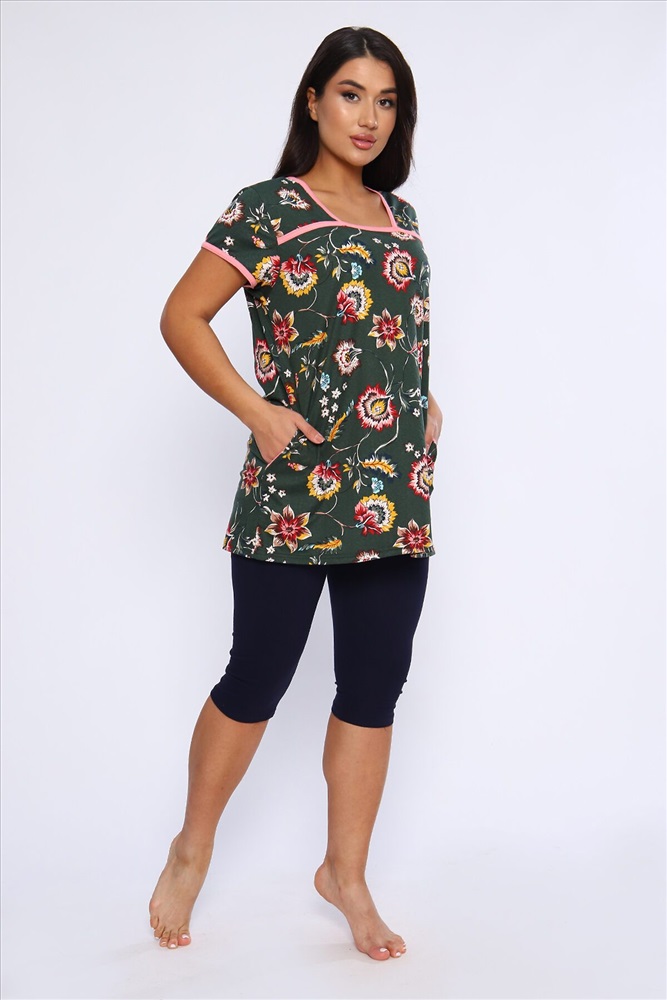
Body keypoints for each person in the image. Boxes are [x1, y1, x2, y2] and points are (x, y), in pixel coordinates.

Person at [149, 24, 443, 961]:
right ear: (313, 101)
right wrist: (256, 411)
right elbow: (182, 315)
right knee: (257, 675)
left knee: (374, 685)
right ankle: (193, 846)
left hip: (391, 488)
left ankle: (344, 877)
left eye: (385, 101)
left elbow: (395, 335)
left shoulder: (401, 218)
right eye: (350, 94)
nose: (367, 117)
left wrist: (424, 403)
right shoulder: (266, 209)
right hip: (295, 489)